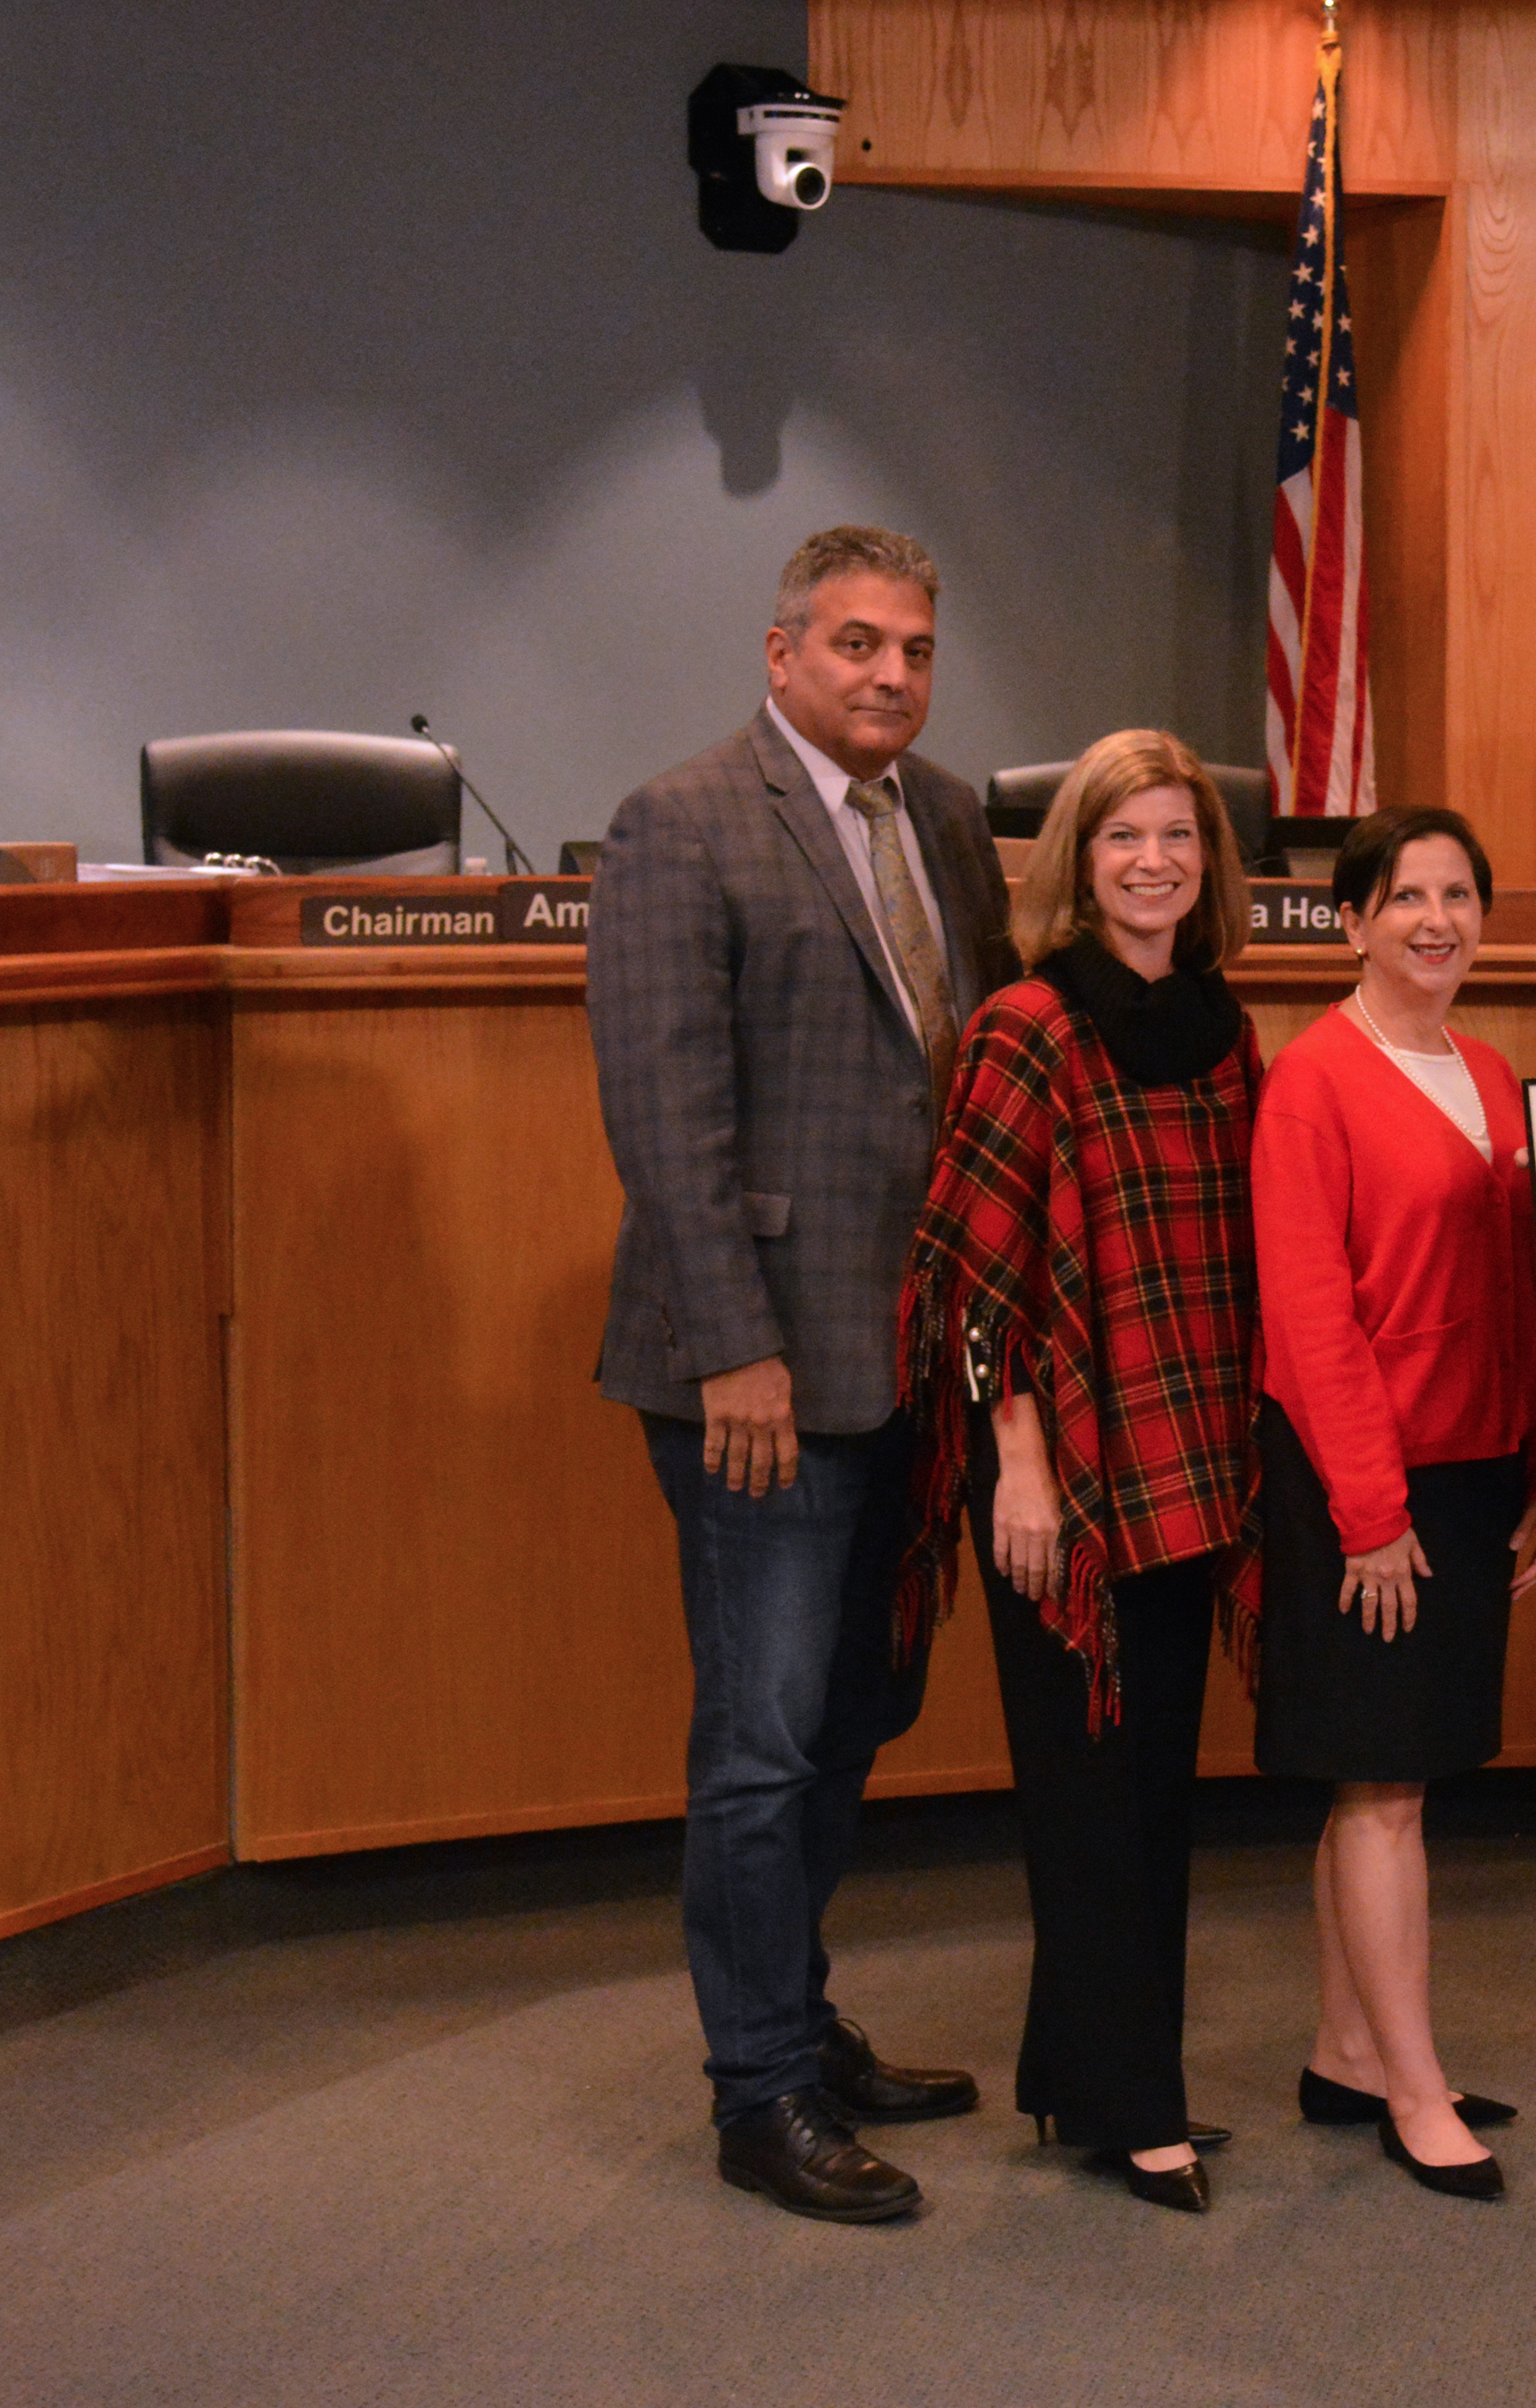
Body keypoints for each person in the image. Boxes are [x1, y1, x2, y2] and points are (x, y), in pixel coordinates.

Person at [586, 525, 1009, 2224]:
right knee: (759, 1743)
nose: (889, 676)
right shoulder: (681, 824)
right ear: (781, 657)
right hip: (753, 1376)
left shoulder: (956, 822)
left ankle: (796, 2012)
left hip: (910, 1369)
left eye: (912, 648)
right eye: (855, 646)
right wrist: (739, 1354)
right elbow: (665, 1122)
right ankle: (755, 2090)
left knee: (855, 1719)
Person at [893, 728, 1264, 2216]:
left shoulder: (1222, 1027)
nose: (1154, 861)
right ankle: (1136, 2104)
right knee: (1089, 1792)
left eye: (1178, 835)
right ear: (1077, 863)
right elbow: (972, 1281)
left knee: (1154, 1788)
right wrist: (1019, 1467)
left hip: (1185, 1455)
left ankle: (1082, 2070)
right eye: (1123, 838)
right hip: (1059, 1470)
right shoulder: (1027, 1027)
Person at [1250, 803, 1536, 2204]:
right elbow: (1310, 1315)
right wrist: (1369, 1511)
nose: (1436, 919)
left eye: (1459, 893)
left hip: (1473, 1471)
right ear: (1352, 920)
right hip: (1361, 1484)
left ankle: (1348, 2050)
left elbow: (1528, 1290)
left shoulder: (1497, 1074)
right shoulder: (1313, 1080)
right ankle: (1418, 2084)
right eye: (1406, 897)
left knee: (1387, 1780)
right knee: (1384, 1788)